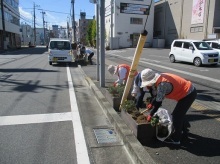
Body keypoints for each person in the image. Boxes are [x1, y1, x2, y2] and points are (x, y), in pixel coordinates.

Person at [140, 68, 197, 145]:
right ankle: (183, 131)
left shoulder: (162, 84)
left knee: (176, 116)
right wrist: (152, 104)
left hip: (188, 94)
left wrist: (151, 114)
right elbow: (157, 96)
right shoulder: (160, 78)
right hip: (186, 92)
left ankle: (176, 139)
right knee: (179, 114)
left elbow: (159, 102)